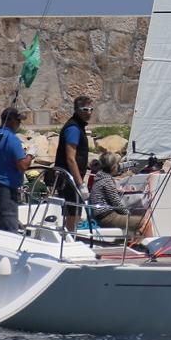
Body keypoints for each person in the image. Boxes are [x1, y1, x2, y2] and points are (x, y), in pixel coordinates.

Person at [0, 107, 35, 232]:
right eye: (18, 121)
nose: (19, 124)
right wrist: (30, 155)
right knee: (8, 230)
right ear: (11, 121)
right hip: (5, 191)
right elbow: (23, 166)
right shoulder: (13, 139)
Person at [89, 153, 156, 237]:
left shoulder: (99, 177)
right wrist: (129, 214)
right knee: (146, 223)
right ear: (113, 167)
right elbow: (117, 204)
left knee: (136, 221)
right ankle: (148, 248)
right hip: (108, 218)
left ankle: (137, 242)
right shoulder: (107, 181)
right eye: (117, 164)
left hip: (101, 216)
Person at [54, 95, 93, 233]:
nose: (88, 113)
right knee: (73, 213)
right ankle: (68, 239)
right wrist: (80, 184)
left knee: (74, 212)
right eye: (85, 109)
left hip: (72, 178)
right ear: (77, 110)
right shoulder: (73, 128)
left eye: (90, 109)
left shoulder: (79, 126)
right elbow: (70, 158)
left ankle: (68, 236)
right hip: (69, 180)